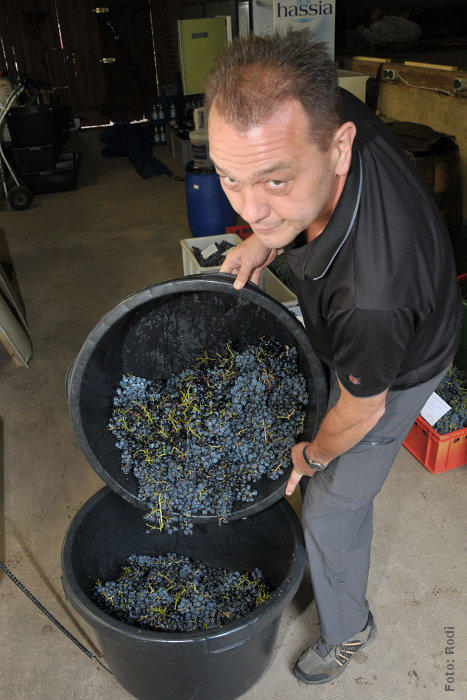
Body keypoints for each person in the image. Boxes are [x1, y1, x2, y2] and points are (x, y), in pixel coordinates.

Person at [205, 29, 462, 685]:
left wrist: (313, 456)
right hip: (367, 326)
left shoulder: (371, 296)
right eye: (230, 177)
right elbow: (271, 191)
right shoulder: (314, 112)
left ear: (339, 146)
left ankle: (349, 630)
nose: (250, 206)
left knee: (329, 505)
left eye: (274, 180)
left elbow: (362, 408)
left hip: (399, 365)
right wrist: (264, 238)